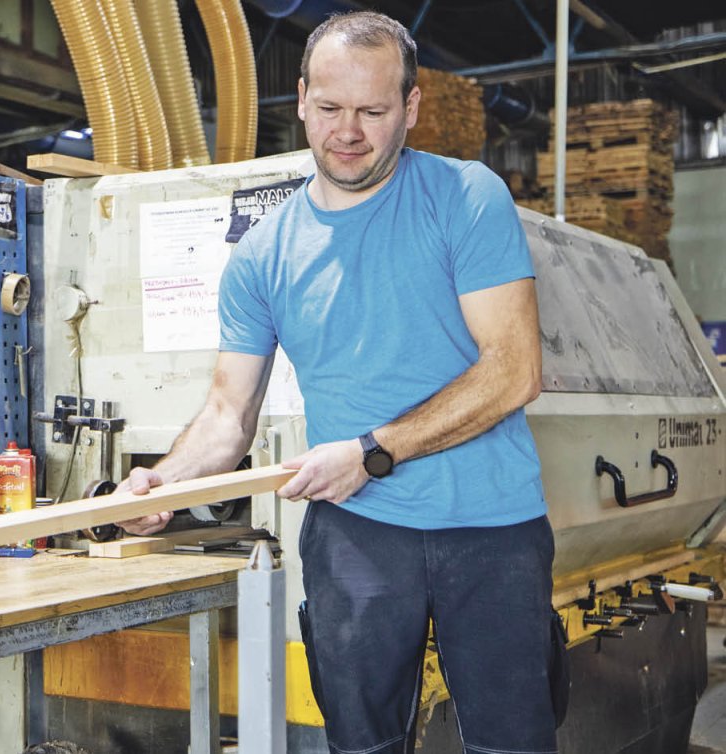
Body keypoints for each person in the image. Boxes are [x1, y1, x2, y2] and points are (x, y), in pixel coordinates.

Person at [120, 11, 560, 754]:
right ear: (300, 100)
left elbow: (514, 371)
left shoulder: (464, 197)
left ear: (410, 107)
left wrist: (373, 452)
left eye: (372, 111)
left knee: (512, 743)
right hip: (355, 535)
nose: (347, 132)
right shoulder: (263, 255)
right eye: (329, 108)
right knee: (360, 746)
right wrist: (165, 483)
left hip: (490, 528)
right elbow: (229, 413)